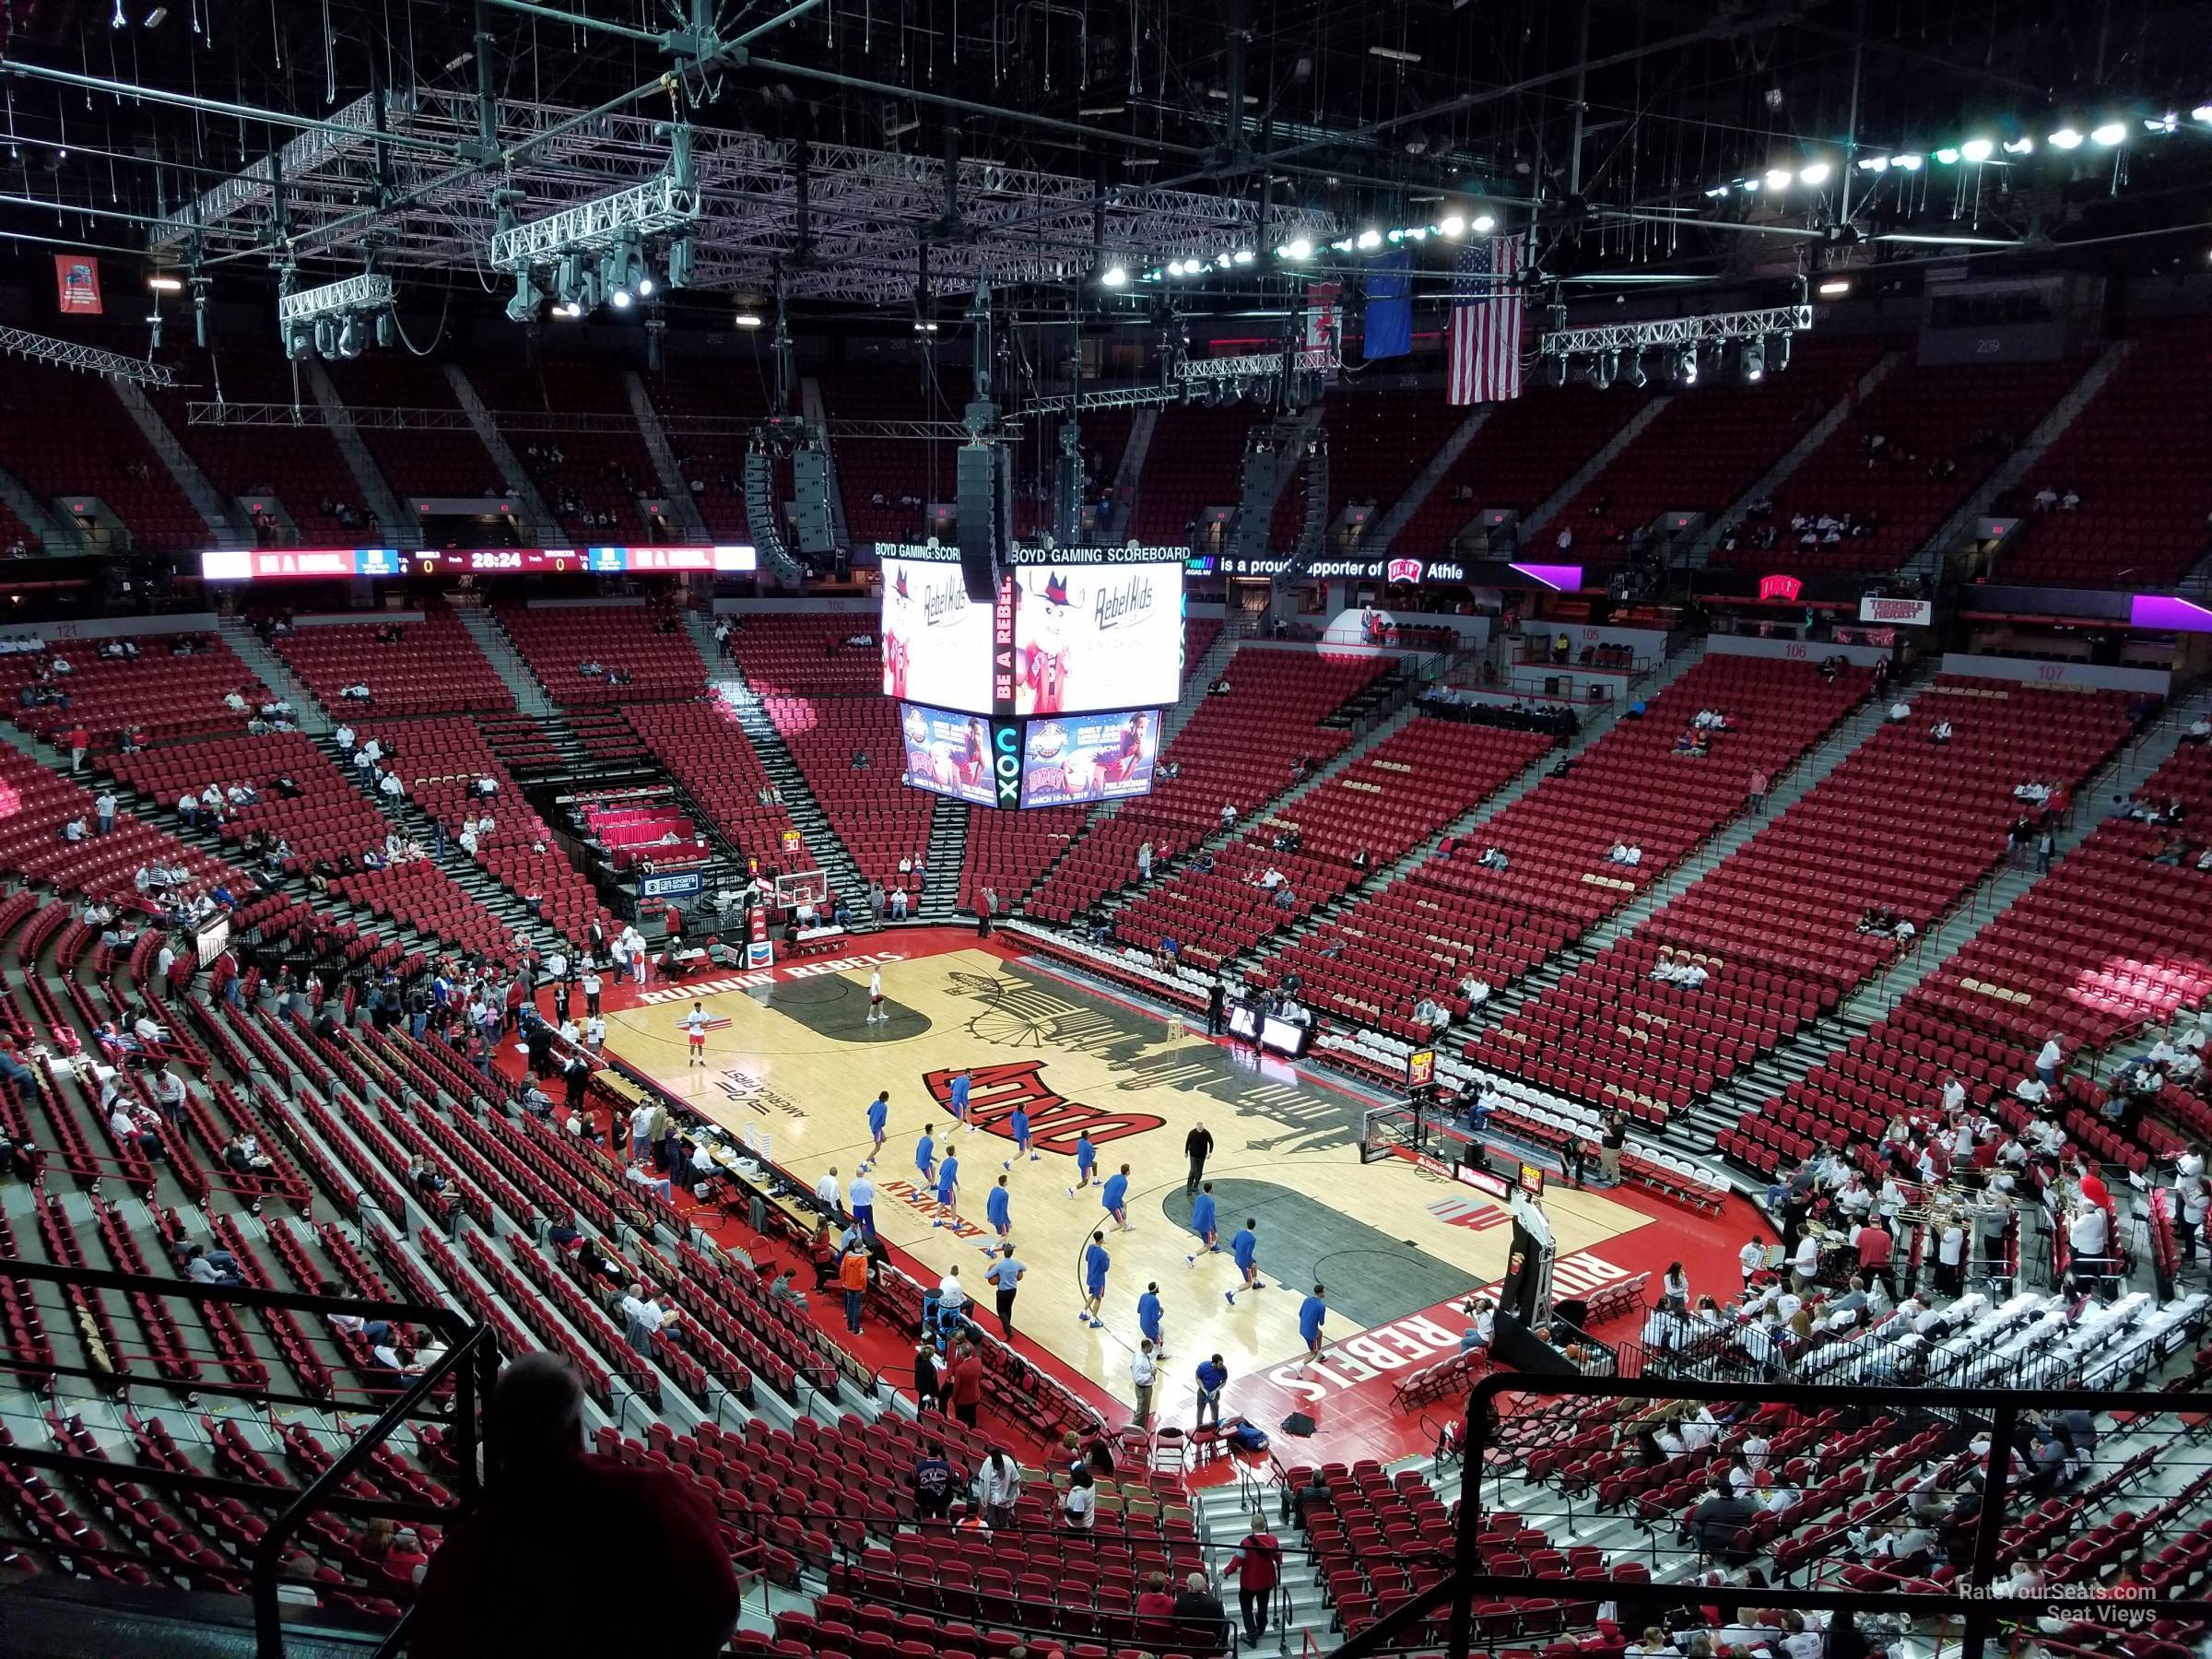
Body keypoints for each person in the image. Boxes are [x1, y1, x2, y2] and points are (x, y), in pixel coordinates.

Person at [409, 1353, 738, 1658]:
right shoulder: (650, 1498)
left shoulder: (465, 1549)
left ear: (497, 1436)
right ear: (577, 1431)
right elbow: (720, 1609)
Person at [1223, 1513, 1282, 1649]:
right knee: (1263, 1606)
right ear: (1265, 1525)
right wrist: (1279, 1562)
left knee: (1246, 1607)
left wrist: (1227, 1572)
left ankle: (1251, 1634)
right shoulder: (1273, 1540)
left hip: (1249, 1582)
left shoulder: (1246, 1542)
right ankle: (1261, 1628)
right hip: (1267, 1581)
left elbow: (1237, 1561)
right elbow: (1278, 1555)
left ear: (1251, 1526)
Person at [1171, 1570, 1229, 1651]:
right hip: (1209, 1643)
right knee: (1227, 1620)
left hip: (1187, 1641)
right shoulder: (1215, 1603)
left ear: (1191, 1587)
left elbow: (1175, 1620)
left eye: (1188, 1585)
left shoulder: (1181, 1601)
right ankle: (1224, 1648)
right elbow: (1221, 1623)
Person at [983, 1242, 1024, 1336]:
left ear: (1004, 1252)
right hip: (1013, 1290)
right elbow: (1024, 1268)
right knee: (1008, 1308)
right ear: (1012, 1253)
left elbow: (987, 1276)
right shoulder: (1016, 1263)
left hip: (1002, 1291)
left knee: (1001, 1311)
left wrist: (995, 1273)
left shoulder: (999, 1265)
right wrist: (1017, 1271)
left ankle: (1008, 1331)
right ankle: (1007, 1326)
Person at [912, 1441, 958, 1521]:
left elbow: (908, 1481)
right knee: (942, 1523)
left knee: (925, 1522)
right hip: (942, 1502)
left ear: (928, 1451)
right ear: (938, 1453)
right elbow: (957, 1482)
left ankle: (925, 1531)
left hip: (924, 1501)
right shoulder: (948, 1467)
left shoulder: (918, 1466)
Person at [978, 1447, 1021, 1531]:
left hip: (1004, 1502)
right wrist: (981, 1495)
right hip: (990, 1499)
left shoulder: (1009, 1464)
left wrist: (1009, 1497)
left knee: (1002, 1524)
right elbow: (982, 1479)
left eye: (1000, 1468)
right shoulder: (988, 1462)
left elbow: (1015, 1482)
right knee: (991, 1522)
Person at [1294, 1284, 1328, 1376]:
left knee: (1320, 1333)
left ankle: (1320, 1355)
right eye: (1324, 1291)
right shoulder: (1321, 1306)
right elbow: (1321, 1323)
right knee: (1313, 1353)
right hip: (1310, 1333)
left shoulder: (1307, 1300)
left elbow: (1300, 1313)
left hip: (1303, 1327)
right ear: (1320, 1293)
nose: (1325, 1292)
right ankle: (1299, 1366)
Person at [1228, 1218, 1264, 1302]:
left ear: (1247, 1224)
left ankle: (1256, 1283)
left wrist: (1240, 1252)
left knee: (1254, 1264)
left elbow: (1233, 1244)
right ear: (1254, 1226)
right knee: (1248, 1283)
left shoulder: (1240, 1232)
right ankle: (1231, 1293)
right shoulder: (1252, 1239)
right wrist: (1249, 1262)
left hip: (1237, 1258)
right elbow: (1248, 1254)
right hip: (1244, 1263)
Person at [948, 1342, 982, 1429]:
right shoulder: (978, 1361)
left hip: (963, 1400)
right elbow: (980, 1376)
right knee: (972, 1420)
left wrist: (954, 1399)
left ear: (962, 1355)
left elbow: (957, 1387)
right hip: (975, 1396)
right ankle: (973, 1436)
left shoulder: (960, 1369)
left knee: (961, 1422)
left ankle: (962, 1439)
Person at [1081, 1230, 1111, 1329]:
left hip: (1091, 1276)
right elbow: (1105, 1268)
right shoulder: (1103, 1253)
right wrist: (1108, 1258)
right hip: (1099, 1280)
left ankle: (1083, 1312)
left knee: (1093, 1295)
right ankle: (1093, 1320)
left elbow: (1086, 1258)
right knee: (1098, 1298)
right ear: (1102, 1239)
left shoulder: (1090, 1247)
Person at [1187, 1181, 1220, 1264]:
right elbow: (1211, 1218)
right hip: (1205, 1226)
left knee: (1215, 1237)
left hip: (1197, 1222)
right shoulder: (1211, 1202)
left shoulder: (1199, 1198)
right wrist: (1215, 1231)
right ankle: (1191, 1257)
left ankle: (1214, 1247)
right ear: (1211, 1190)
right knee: (1206, 1246)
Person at [1131, 1337, 1159, 1424]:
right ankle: (1133, 1431)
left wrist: (1158, 1345)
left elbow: (1132, 1366)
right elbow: (1137, 1379)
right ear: (1146, 1347)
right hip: (1143, 1389)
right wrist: (1150, 1373)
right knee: (1141, 1412)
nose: (1152, 1349)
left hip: (1145, 1388)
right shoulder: (1140, 1361)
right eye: (1151, 1347)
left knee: (1144, 1411)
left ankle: (1142, 1429)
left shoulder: (1140, 1353)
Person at [1063, 1466, 1097, 1530]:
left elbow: (1078, 1515)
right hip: (1087, 1521)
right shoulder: (1091, 1484)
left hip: (1077, 1528)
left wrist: (1064, 1508)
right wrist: (1071, 1484)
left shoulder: (1079, 1494)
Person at [1184, 1120, 1214, 1194]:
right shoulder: (1192, 1133)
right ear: (1197, 1127)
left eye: (1201, 1129)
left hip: (1202, 1156)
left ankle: (1196, 1185)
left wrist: (1210, 1152)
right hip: (1193, 1155)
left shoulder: (1206, 1133)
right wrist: (1186, 1152)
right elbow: (1188, 1142)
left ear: (1203, 1127)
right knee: (1193, 1171)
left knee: (1199, 1172)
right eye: (1199, 1129)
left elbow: (1211, 1142)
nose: (1200, 1130)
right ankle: (1189, 1188)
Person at [1102, 1161, 1132, 1231]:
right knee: (1120, 1224)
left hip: (1107, 1198)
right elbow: (1119, 1195)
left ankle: (1126, 1226)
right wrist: (1122, 1208)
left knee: (1125, 1204)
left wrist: (1109, 1194)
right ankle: (1103, 1233)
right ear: (1127, 1172)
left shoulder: (1114, 1176)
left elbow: (1105, 1186)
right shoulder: (1124, 1182)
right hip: (1112, 1203)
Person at [865, 1089, 889, 1168]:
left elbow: (868, 1112)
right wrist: (881, 1124)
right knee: (877, 1147)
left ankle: (872, 1156)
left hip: (872, 1125)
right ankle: (864, 1163)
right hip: (877, 1129)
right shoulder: (884, 1107)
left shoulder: (875, 1102)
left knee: (884, 1139)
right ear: (886, 1098)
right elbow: (883, 1121)